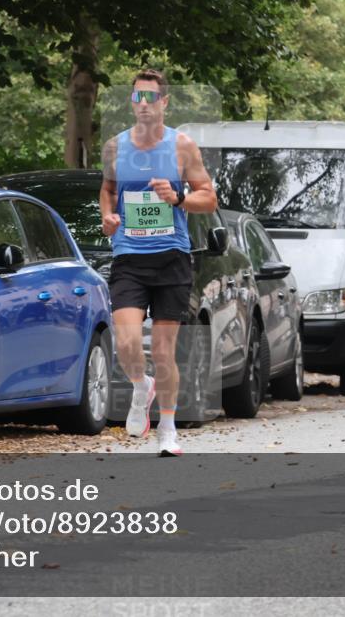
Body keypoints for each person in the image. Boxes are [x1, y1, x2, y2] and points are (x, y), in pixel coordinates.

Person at [99, 69, 218, 457]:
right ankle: (140, 385)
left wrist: (179, 199)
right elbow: (108, 190)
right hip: (129, 258)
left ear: (164, 102)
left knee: (164, 351)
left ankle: (167, 428)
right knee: (128, 342)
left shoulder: (182, 147)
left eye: (151, 97)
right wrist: (108, 219)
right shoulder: (115, 147)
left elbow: (209, 198)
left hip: (171, 259)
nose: (144, 105)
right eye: (138, 98)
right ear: (131, 103)